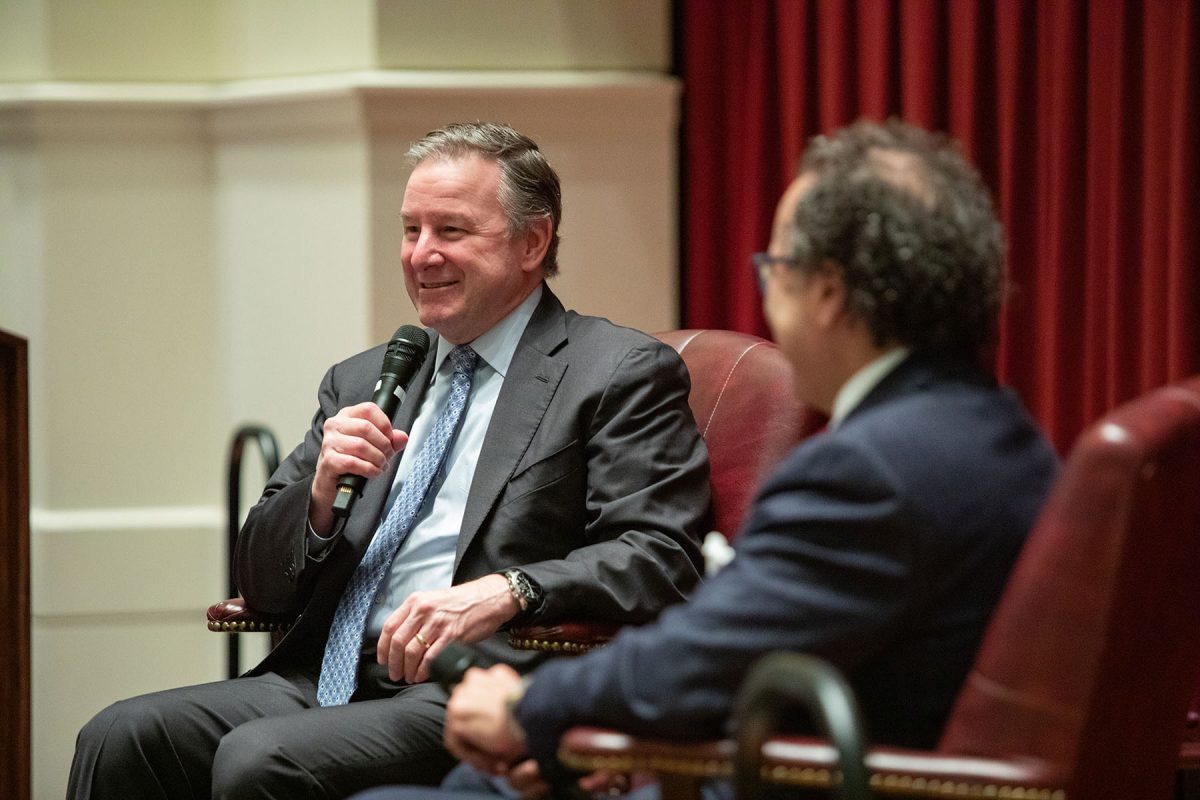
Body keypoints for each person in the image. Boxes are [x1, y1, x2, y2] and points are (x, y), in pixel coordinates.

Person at [355, 119, 1061, 800]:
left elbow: (704, 662)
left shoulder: (870, 472)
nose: (765, 291)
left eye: (775, 267)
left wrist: (530, 708)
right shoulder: (1007, 438)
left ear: (827, 292)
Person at [67, 122, 711, 800]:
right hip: (322, 677)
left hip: (471, 687)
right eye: (411, 231)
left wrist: (511, 588)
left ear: (533, 241)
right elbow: (259, 579)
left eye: (451, 231)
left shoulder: (611, 371)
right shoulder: (369, 378)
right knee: (118, 736)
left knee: (262, 761)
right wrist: (316, 502)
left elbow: (660, 554)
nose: (421, 255)